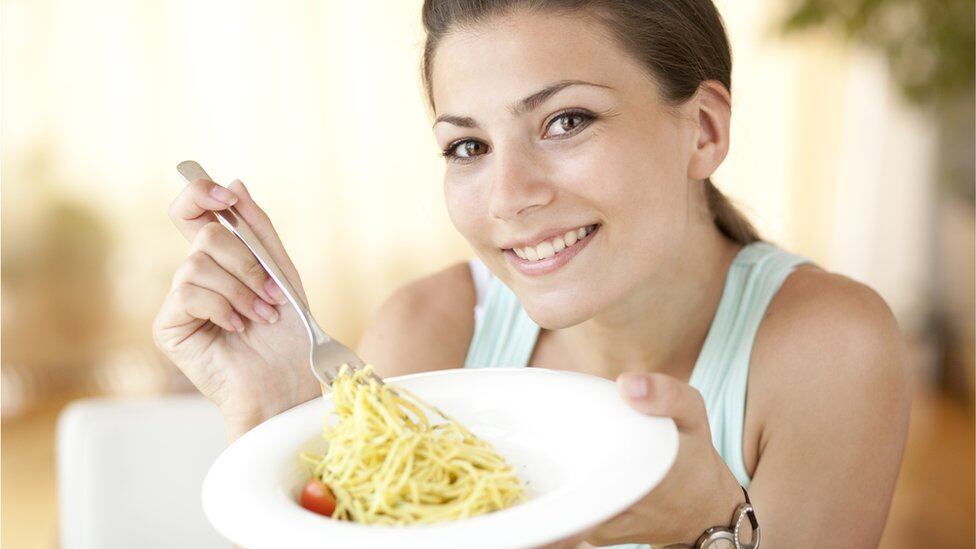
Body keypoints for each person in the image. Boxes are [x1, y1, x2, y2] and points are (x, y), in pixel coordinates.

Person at [153, 1, 911, 546]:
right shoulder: (430, 333)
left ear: (704, 131)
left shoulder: (827, 349)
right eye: (468, 147)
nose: (508, 197)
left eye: (566, 121)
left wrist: (707, 530)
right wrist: (277, 420)